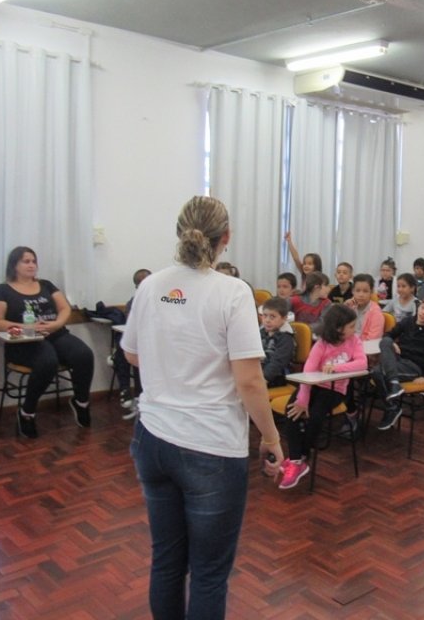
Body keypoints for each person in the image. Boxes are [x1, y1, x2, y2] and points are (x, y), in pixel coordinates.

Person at [122, 195, 284, 620]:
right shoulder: (232, 292)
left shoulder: (151, 285)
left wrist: (172, 359)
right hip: (210, 449)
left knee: (167, 562)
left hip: (153, 439)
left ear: (179, 232)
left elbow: (133, 355)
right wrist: (270, 436)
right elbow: (249, 379)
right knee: (209, 574)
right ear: (225, 239)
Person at [0, 246, 95, 439]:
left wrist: (57, 324)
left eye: (33, 261)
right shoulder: (3, 290)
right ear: (14, 265)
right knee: (47, 362)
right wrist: (26, 327)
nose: (31, 265)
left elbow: (64, 308)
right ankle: (27, 413)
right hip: (24, 341)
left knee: (84, 355)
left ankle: (81, 402)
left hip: (55, 334)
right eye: (25, 261)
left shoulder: (46, 285)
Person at [280, 303, 367, 489]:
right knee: (292, 410)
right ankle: (296, 461)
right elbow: (308, 371)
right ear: (338, 328)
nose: (355, 329)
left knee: (316, 416)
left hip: (335, 389)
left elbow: (362, 363)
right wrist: (302, 400)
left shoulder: (355, 341)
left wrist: (336, 368)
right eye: (351, 326)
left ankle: (301, 456)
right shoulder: (322, 344)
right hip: (313, 385)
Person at [372, 295, 424, 431]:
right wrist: (393, 343)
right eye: (423, 308)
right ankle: (394, 391)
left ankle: (391, 406)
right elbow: (388, 334)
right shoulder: (408, 322)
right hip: (398, 361)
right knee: (386, 342)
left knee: (377, 372)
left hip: (414, 367)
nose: (423, 312)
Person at [114, 268, 151, 420]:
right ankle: (126, 391)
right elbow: (131, 322)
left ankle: (140, 397)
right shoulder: (133, 301)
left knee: (137, 354)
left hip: (155, 343)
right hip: (139, 341)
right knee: (123, 351)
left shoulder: (164, 299)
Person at [260, 297, 295, 388]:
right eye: (265, 315)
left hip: (276, 378)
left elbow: (277, 363)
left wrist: (263, 379)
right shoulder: (261, 333)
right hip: (258, 374)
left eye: (272, 317)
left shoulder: (286, 338)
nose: (267, 320)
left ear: (284, 318)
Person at [345, 274, 384, 341]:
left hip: (365, 347)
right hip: (348, 344)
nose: (361, 295)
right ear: (353, 291)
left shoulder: (376, 313)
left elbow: (372, 340)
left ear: (371, 292)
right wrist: (344, 308)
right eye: (357, 291)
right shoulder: (350, 307)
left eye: (365, 291)